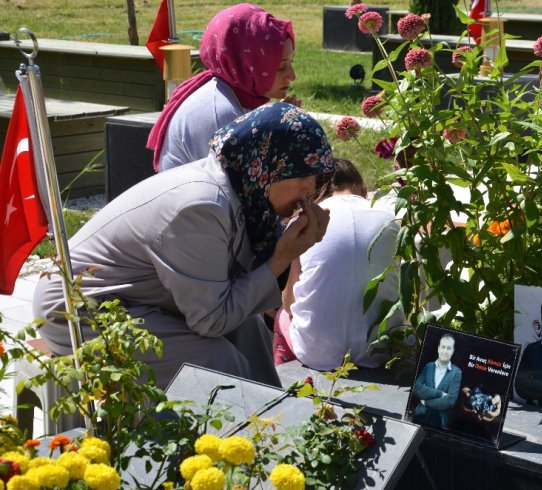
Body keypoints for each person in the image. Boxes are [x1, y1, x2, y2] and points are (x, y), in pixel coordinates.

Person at [33, 102, 334, 390]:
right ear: (267, 165)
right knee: (215, 364)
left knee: (248, 329)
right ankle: (242, 435)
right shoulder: (203, 207)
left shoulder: (241, 193)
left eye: (314, 174)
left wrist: (283, 249)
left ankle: (272, 421)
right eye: (301, 174)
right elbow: (212, 319)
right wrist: (282, 257)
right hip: (75, 312)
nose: (310, 187)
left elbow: (234, 297)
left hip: (131, 301)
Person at [273, 159, 402, 370]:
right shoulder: (391, 220)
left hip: (317, 353)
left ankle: (282, 378)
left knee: (281, 316)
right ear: (364, 190)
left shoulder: (305, 223)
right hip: (381, 349)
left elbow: (289, 303)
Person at [147, 3, 298, 172]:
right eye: (280, 67)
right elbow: (251, 187)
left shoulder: (231, 93)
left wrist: (276, 120)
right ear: (248, 65)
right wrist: (284, 131)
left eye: (290, 63)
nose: (292, 76)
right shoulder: (221, 112)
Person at [411, 333, 462, 428]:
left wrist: (426, 402)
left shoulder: (456, 372)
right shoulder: (428, 366)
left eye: (449, 348)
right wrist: (441, 394)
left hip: (439, 423)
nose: (445, 351)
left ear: (453, 351)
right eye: (443, 347)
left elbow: (450, 401)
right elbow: (416, 388)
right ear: (438, 348)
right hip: (419, 417)